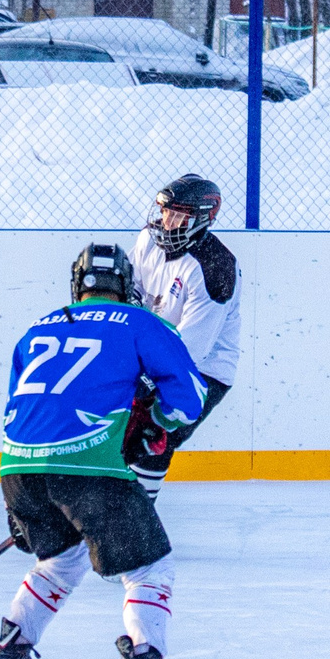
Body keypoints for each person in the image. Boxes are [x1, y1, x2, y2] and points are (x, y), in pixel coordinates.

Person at [0, 242, 210, 659]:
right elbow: (189, 398)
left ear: (78, 285)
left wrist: (18, 500)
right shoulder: (143, 323)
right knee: (149, 567)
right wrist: (157, 420)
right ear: (126, 286)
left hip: (18, 469)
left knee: (62, 560)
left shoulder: (36, 328)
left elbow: (20, 406)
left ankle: (12, 653)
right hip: (89, 470)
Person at [124, 173, 243, 498]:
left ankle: (137, 520)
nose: (167, 220)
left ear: (201, 220)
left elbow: (191, 352)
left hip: (204, 370)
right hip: (153, 354)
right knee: (114, 432)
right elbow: (129, 290)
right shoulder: (149, 239)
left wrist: (144, 383)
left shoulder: (215, 268)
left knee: (151, 438)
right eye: (165, 211)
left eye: (178, 215)